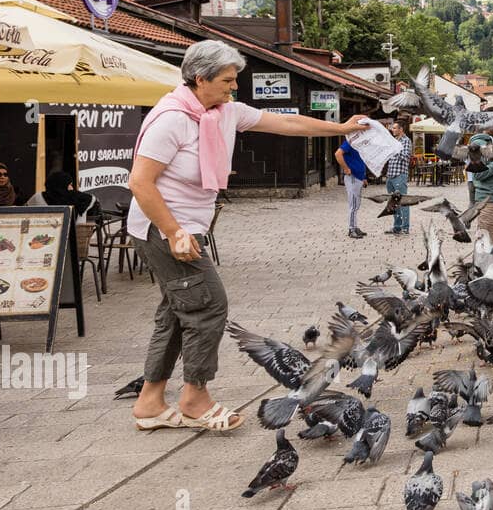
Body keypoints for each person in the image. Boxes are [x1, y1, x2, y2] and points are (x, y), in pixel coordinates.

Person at [127, 40, 369, 433]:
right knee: (207, 305)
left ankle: (150, 402)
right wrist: (174, 233)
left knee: (177, 310)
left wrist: (340, 128)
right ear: (200, 78)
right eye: (226, 80)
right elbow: (140, 183)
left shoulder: (224, 112)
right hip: (162, 229)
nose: (233, 87)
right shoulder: (170, 118)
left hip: (188, 229)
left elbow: (288, 123)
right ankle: (194, 398)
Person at [26, 170, 98, 222]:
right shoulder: (79, 199)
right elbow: (93, 200)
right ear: (64, 185)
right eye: (70, 185)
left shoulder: (38, 197)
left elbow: (23, 211)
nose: (72, 188)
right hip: (75, 238)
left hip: (44, 235)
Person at [383, 121, 414, 235]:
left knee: (403, 201)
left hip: (400, 175)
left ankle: (405, 227)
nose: (393, 130)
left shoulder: (406, 141)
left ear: (401, 129)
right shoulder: (394, 141)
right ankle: (397, 227)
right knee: (393, 203)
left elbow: (405, 157)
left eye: (395, 128)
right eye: (393, 128)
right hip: (390, 175)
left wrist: (395, 149)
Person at [336, 137, 369, 239]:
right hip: (352, 177)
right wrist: (346, 168)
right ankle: (351, 229)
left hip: (358, 177)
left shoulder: (360, 144)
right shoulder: (350, 142)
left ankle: (355, 226)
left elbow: (360, 161)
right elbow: (338, 154)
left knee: (356, 204)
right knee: (353, 204)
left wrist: (363, 177)